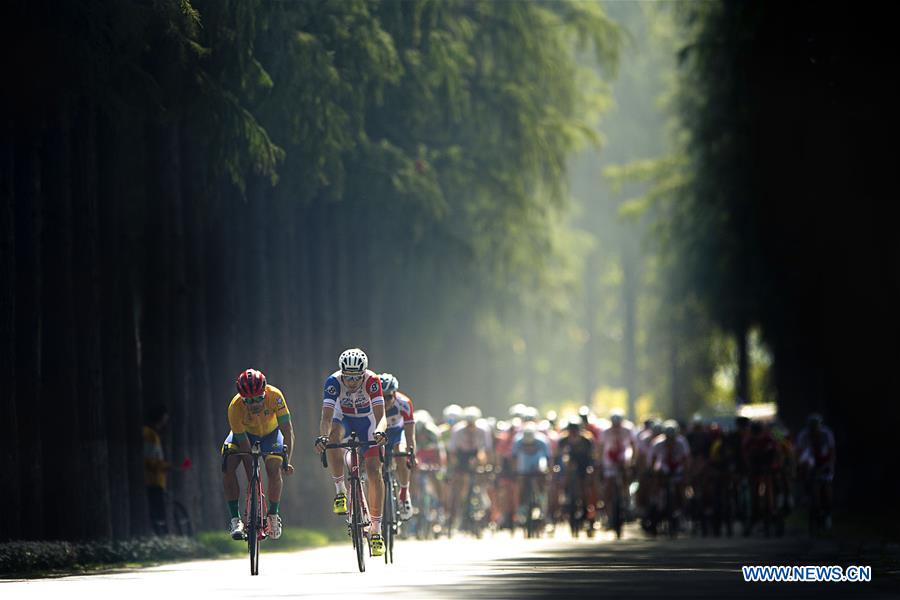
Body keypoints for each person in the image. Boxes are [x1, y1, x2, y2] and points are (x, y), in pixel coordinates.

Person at [314, 348, 388, 556]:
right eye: (348, 377)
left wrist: (381, 431)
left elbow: (381, 416)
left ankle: (376, 530)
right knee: (333, 436)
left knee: (374, 471)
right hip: (343, 419)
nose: (353, 382)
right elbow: (326, 418)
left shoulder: (372, 381)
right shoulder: (333, 382)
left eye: (357, 377)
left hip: (368, 422)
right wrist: (323, 437)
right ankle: (340, 491)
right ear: (342, 373)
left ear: (363, 373)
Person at [222, 368, 295, 541]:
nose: (254, 404)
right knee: (228, 464)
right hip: (245, 436)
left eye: (259, 399)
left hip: (271, 434)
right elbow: (245, 448)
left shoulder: (275, 396)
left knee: (273, 468)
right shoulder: (235, 407)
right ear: (241, 398)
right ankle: (235, 520)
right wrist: (253, 480)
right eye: (249, 401)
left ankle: (273, 515)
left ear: (265, 392)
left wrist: (287, 460)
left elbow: (287, 430)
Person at [381, 373, 417, 519]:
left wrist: (411, 453)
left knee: (401, 454)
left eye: (388, 397)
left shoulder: (404, 403)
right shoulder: (369, 402)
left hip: (397, 433)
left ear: (395, 394)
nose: (385, 401)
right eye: (381, 397)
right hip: (379, 436)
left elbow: (410, 435)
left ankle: (403, 494)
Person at [144, 405, 171, 535]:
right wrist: (165, 466)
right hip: (152, 480)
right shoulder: (149, 434)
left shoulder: (152, 434)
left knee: (158, 510)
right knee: (157, 512)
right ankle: (162, 537)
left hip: (157, 479)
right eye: (164, 419)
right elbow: (149, 459)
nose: (165, 423)